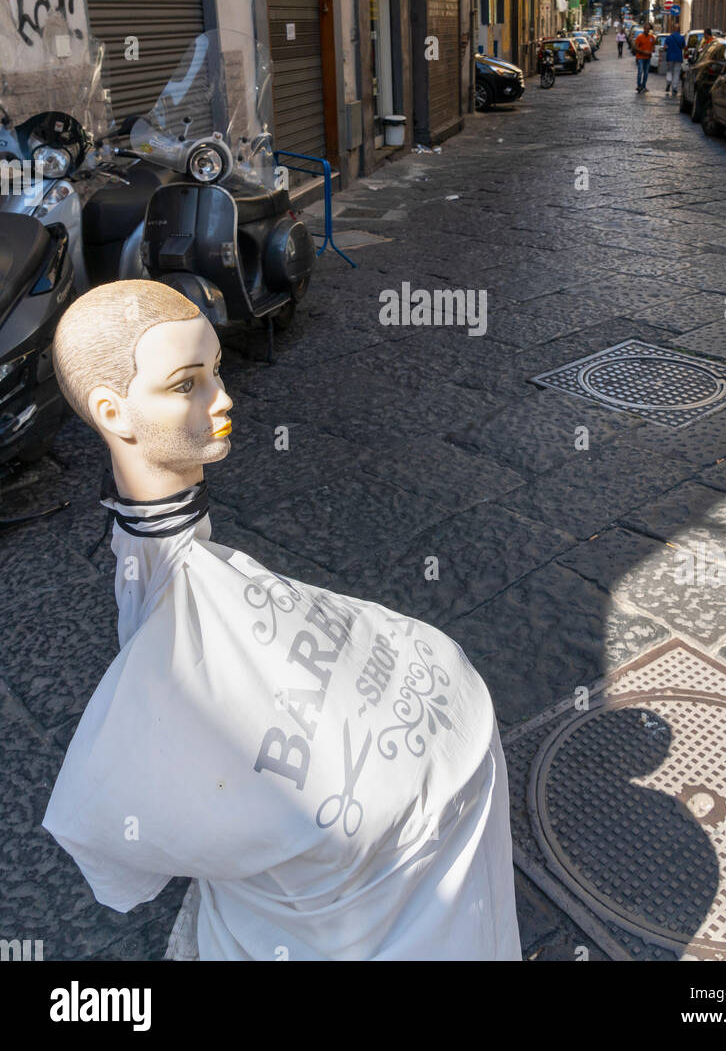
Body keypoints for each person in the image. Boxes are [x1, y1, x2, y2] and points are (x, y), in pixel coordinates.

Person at [43, 280, 522, 962]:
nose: (223, 399)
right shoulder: (166, 577)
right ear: (113, 412)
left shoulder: (176, 573)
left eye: (217, 372)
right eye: (188, 384)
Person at [664, 24, 686, 95]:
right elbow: (684, 47)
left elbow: (665, 47)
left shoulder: (669, 37)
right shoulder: (681, 38)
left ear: (673, 29)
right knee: (676, 73)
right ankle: (674, 87)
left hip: (670, 57)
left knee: (669, 71)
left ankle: (668, 83)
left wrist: (668, 49)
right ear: (679, 29)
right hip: (678, 57)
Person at [633, 23, 655, 92]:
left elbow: (653, 45)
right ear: (644, 29)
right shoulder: (640, 37)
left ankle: (644, 86)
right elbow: (635, 47)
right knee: (640, 72)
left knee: (646, 73)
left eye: (648, 29)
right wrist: (643, 52)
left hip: (648, 58)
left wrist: (652, 50)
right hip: (640, 58)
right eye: (646, 29)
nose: (647, 30)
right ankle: (639, 86)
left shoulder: (652, 37)